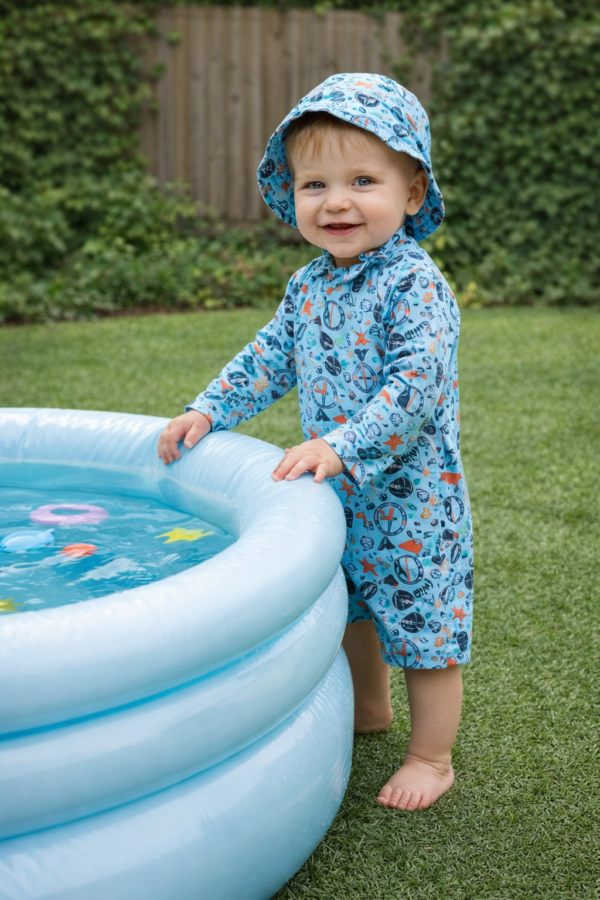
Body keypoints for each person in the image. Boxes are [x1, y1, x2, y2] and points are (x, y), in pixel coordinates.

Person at [158, 73, 473, 812]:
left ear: (414, 192)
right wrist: (208, 410)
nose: (335, 201)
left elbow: (414, 386)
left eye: (363, 180)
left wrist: (340, 446)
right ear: (289, 193)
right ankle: (370, 707)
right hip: (340, 495)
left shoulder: (415, 285)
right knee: (352, 609)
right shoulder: (308, 287)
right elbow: (269, 356)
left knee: (423, 630)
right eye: (314, 184)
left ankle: (432, 757)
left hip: (412, 506)